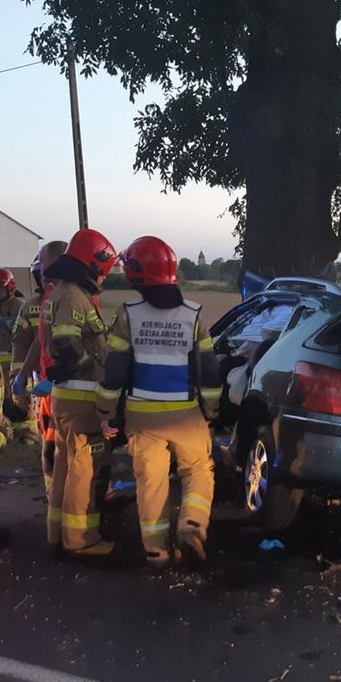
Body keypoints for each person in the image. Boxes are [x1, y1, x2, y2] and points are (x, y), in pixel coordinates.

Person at [96, 236, 221, 568]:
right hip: (186, 413)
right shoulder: (195, 315)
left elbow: (115, 370)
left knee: (150, 482)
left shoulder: (128, 315)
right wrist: (211, 411)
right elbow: (208, 370)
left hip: (142, 415)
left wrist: (107, 413)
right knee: (197, 471)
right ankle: (192, 527)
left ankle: (156, 553)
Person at [42, 229, 118, 556]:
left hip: (67, 397)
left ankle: (57, 533)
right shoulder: (73, 296)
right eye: (104, 269)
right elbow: (67, 344)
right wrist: (96, 360)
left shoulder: (63, 293)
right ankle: (80, 540)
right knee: (84, 468)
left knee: (64, 465)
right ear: (93, 264)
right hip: (82, 398)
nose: (104, 276)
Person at [11, 241, 69, 496]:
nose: (43, 275)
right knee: (50, 446)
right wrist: (22, 374)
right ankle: (54, 495)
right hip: (49, 389)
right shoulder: (44, 302)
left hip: (71, 388)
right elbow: (38, 340)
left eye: (45, 268)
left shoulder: (72, 299)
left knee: (77, 450)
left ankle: (74, 498)